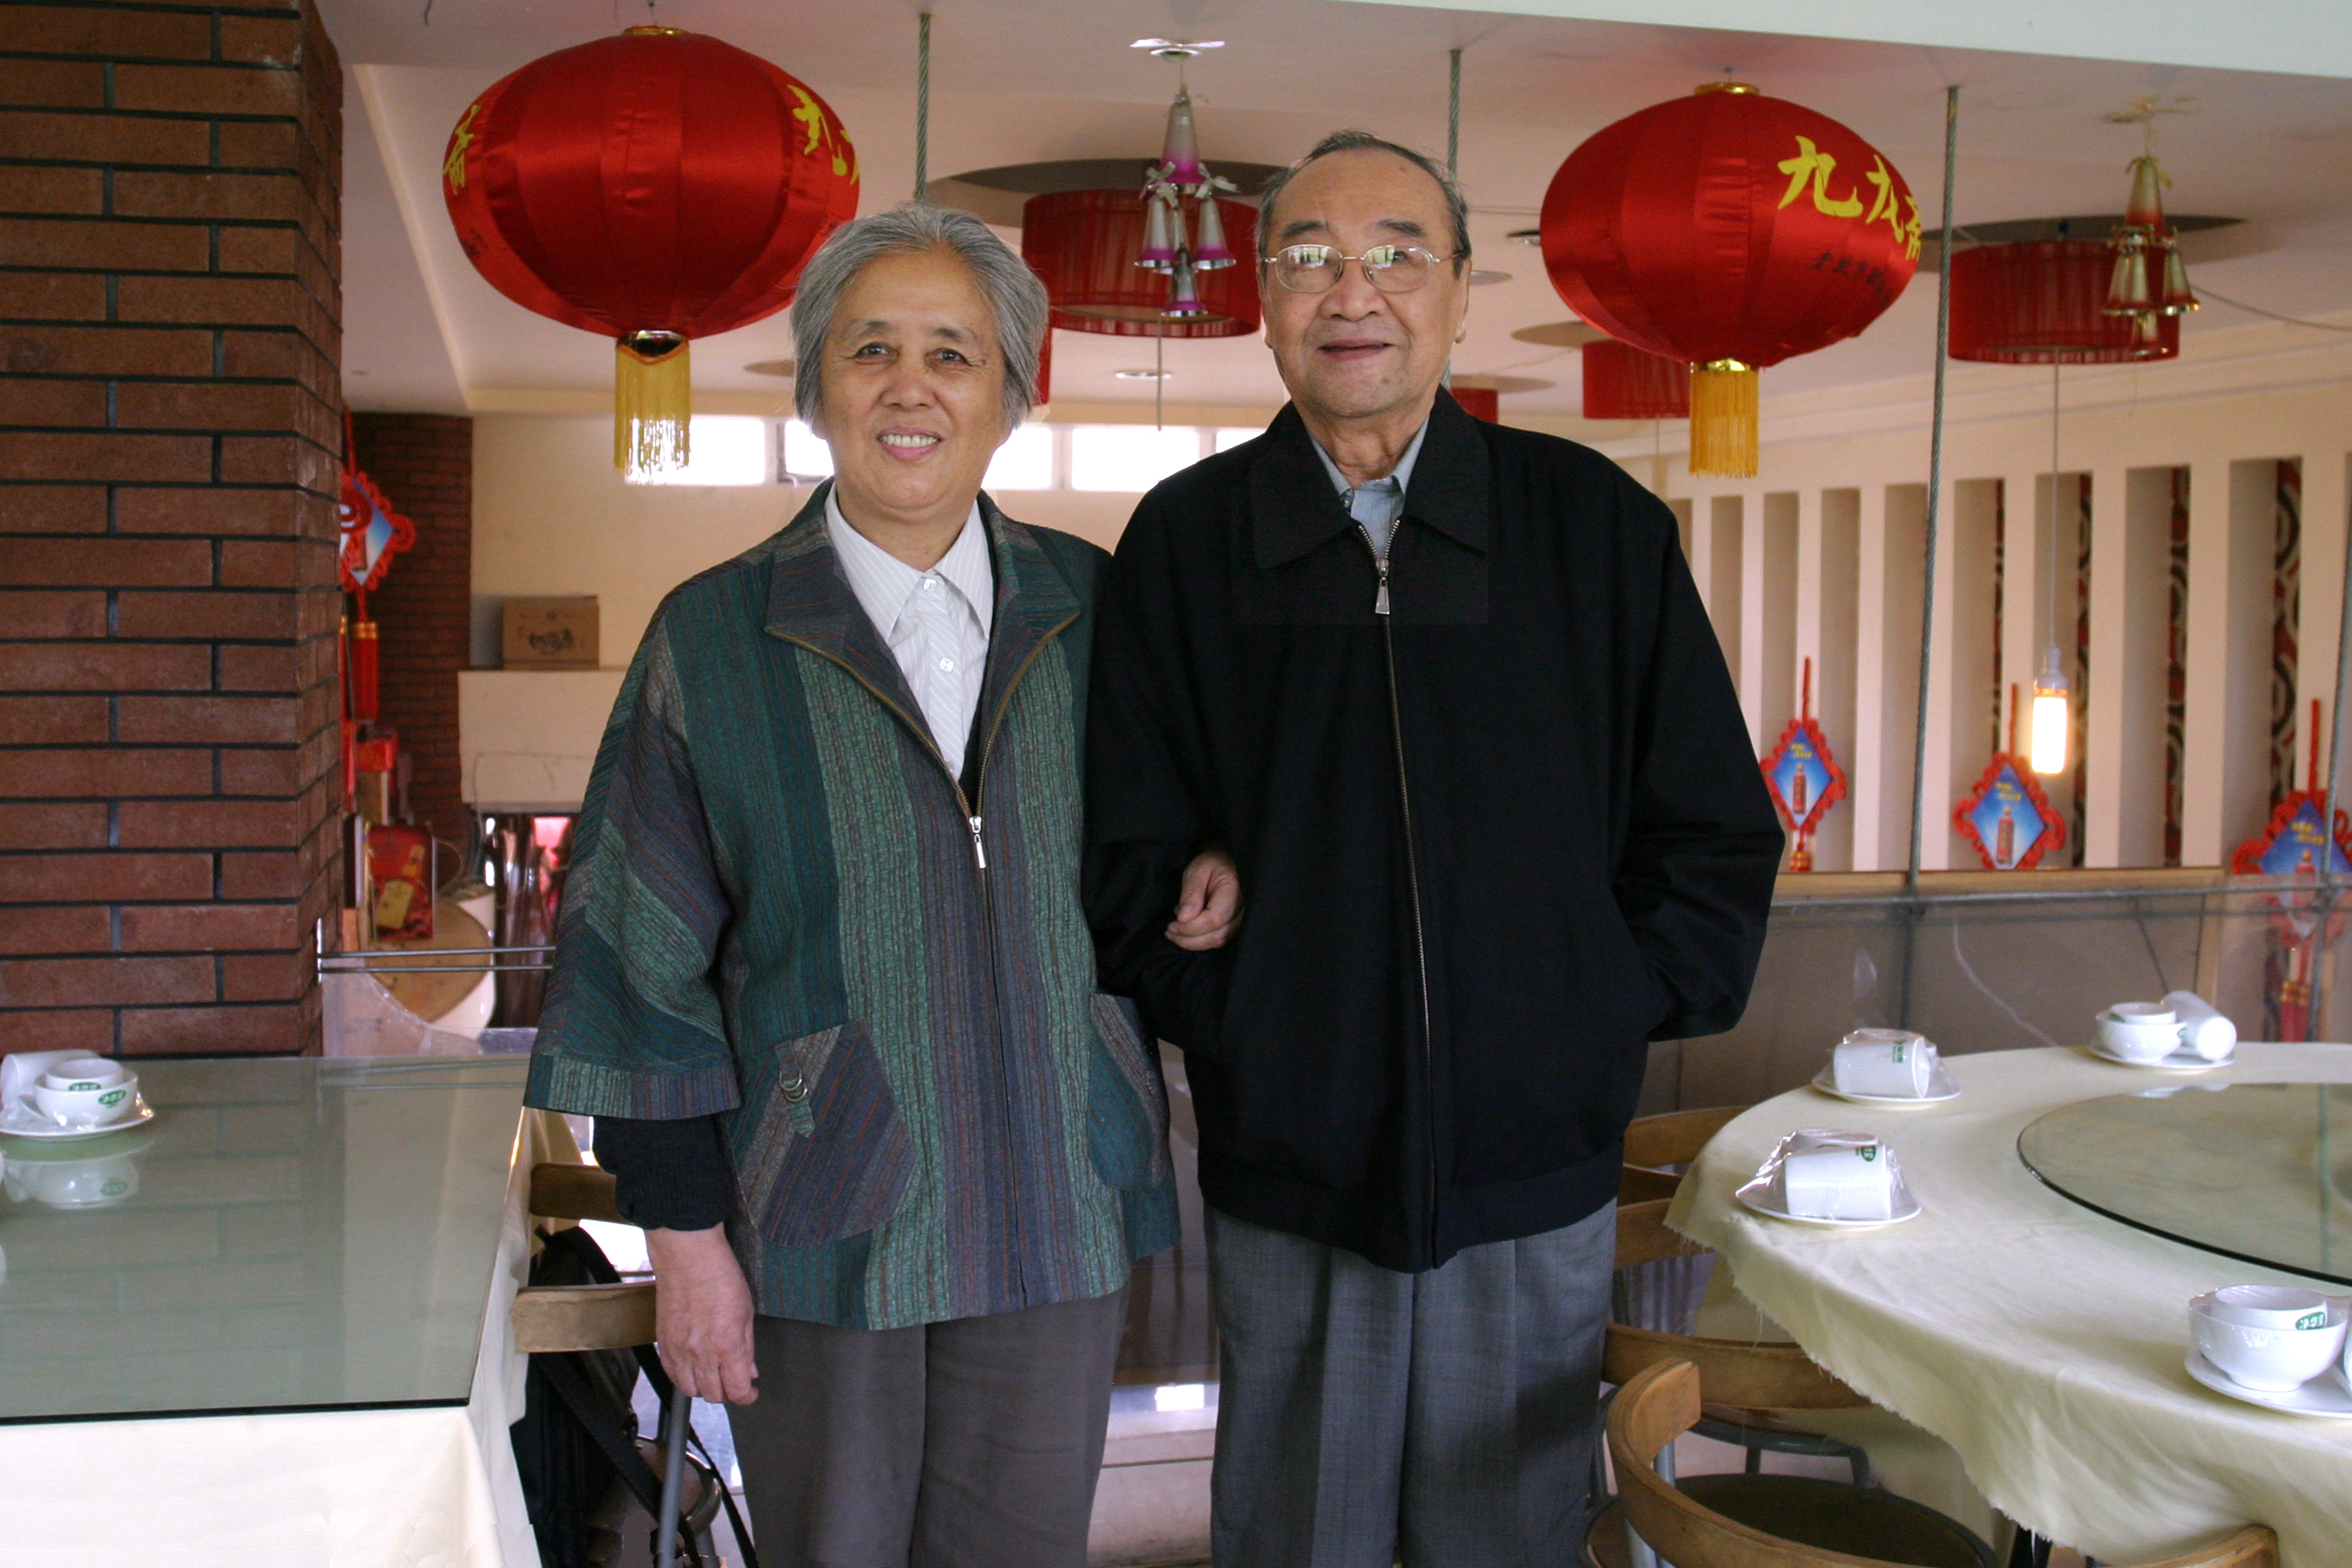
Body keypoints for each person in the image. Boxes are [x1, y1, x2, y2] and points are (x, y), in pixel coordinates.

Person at [1084, 132, 1783, 1568]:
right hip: (1293, 1159)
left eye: (1399, 254)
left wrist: (1595, 1007)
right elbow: (1122, 844)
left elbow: (1712, 826)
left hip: (1533, 1161)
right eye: (1310, 258)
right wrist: (1240, 994)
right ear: (1263, 301)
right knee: (1298, 1538)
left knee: (1508, 1534)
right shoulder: (1191, 540)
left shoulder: (1589, 526)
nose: (1355, 293)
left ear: (1463, 290)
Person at [526, 204, 1237, 1568]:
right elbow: (631, 957)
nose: (912, 388)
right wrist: (685, 1237)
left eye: (954, 354)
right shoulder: (715, 637)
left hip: (1058, 1197)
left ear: (1011, 395)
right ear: (817, 388)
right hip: (823, 1208)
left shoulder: (1097, 609)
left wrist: (1217, 856)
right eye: (871, 350)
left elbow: (1185, 819)